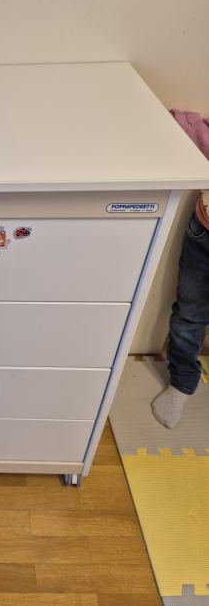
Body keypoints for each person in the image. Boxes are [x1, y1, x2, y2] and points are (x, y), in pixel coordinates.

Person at [152, 111, 209, 428]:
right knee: (190, 313)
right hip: (205, 231)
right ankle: (183, 381)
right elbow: (191, 127)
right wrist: (183, 123)